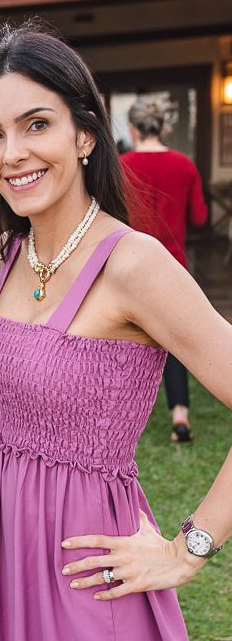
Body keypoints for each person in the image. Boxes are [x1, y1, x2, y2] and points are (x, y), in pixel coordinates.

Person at [0, 22, 232, 640]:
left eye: (37, 125)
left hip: (88, 575)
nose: (13, 154)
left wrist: (189, 549)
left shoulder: (135, 265)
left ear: (85, 134)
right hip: (7, 559)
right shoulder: (7, 257)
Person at [121, 100, 208, 442]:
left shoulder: (120, 165)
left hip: (127, 267)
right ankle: (180, 417)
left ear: (132, 130)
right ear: (164, 127)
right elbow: (200, 218)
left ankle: (122, 421)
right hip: (175, 267)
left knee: (123, 339)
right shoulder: (184, 165)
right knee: (174, 341)